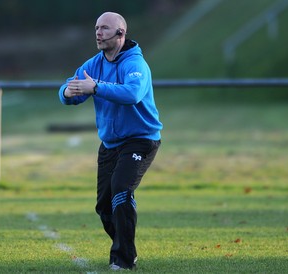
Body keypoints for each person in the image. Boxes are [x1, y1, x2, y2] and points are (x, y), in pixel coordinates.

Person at [58, 11, 162, 271]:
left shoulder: (135, 64)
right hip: (110, 144)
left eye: (104, 28)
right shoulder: (93, 64)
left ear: (120, 33)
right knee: (104, 207)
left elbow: (133, 93)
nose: (98, 33)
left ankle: (123, 259)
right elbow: (69, 89)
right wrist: (67, 92)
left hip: (141, 139)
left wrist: (96, 88)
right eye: (96, 28)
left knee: (121, 190)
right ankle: (125, 247)